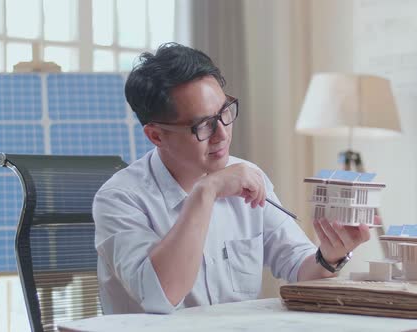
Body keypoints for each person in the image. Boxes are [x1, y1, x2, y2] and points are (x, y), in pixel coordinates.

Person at [93, 42, 372, 314]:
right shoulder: (120, 198)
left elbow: (301, 267)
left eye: (224, 112)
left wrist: (330, 255)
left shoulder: (248, 176)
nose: (222, 133)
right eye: (203, 125)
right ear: (156, 135)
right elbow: (159, 297)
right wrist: (206, 191)